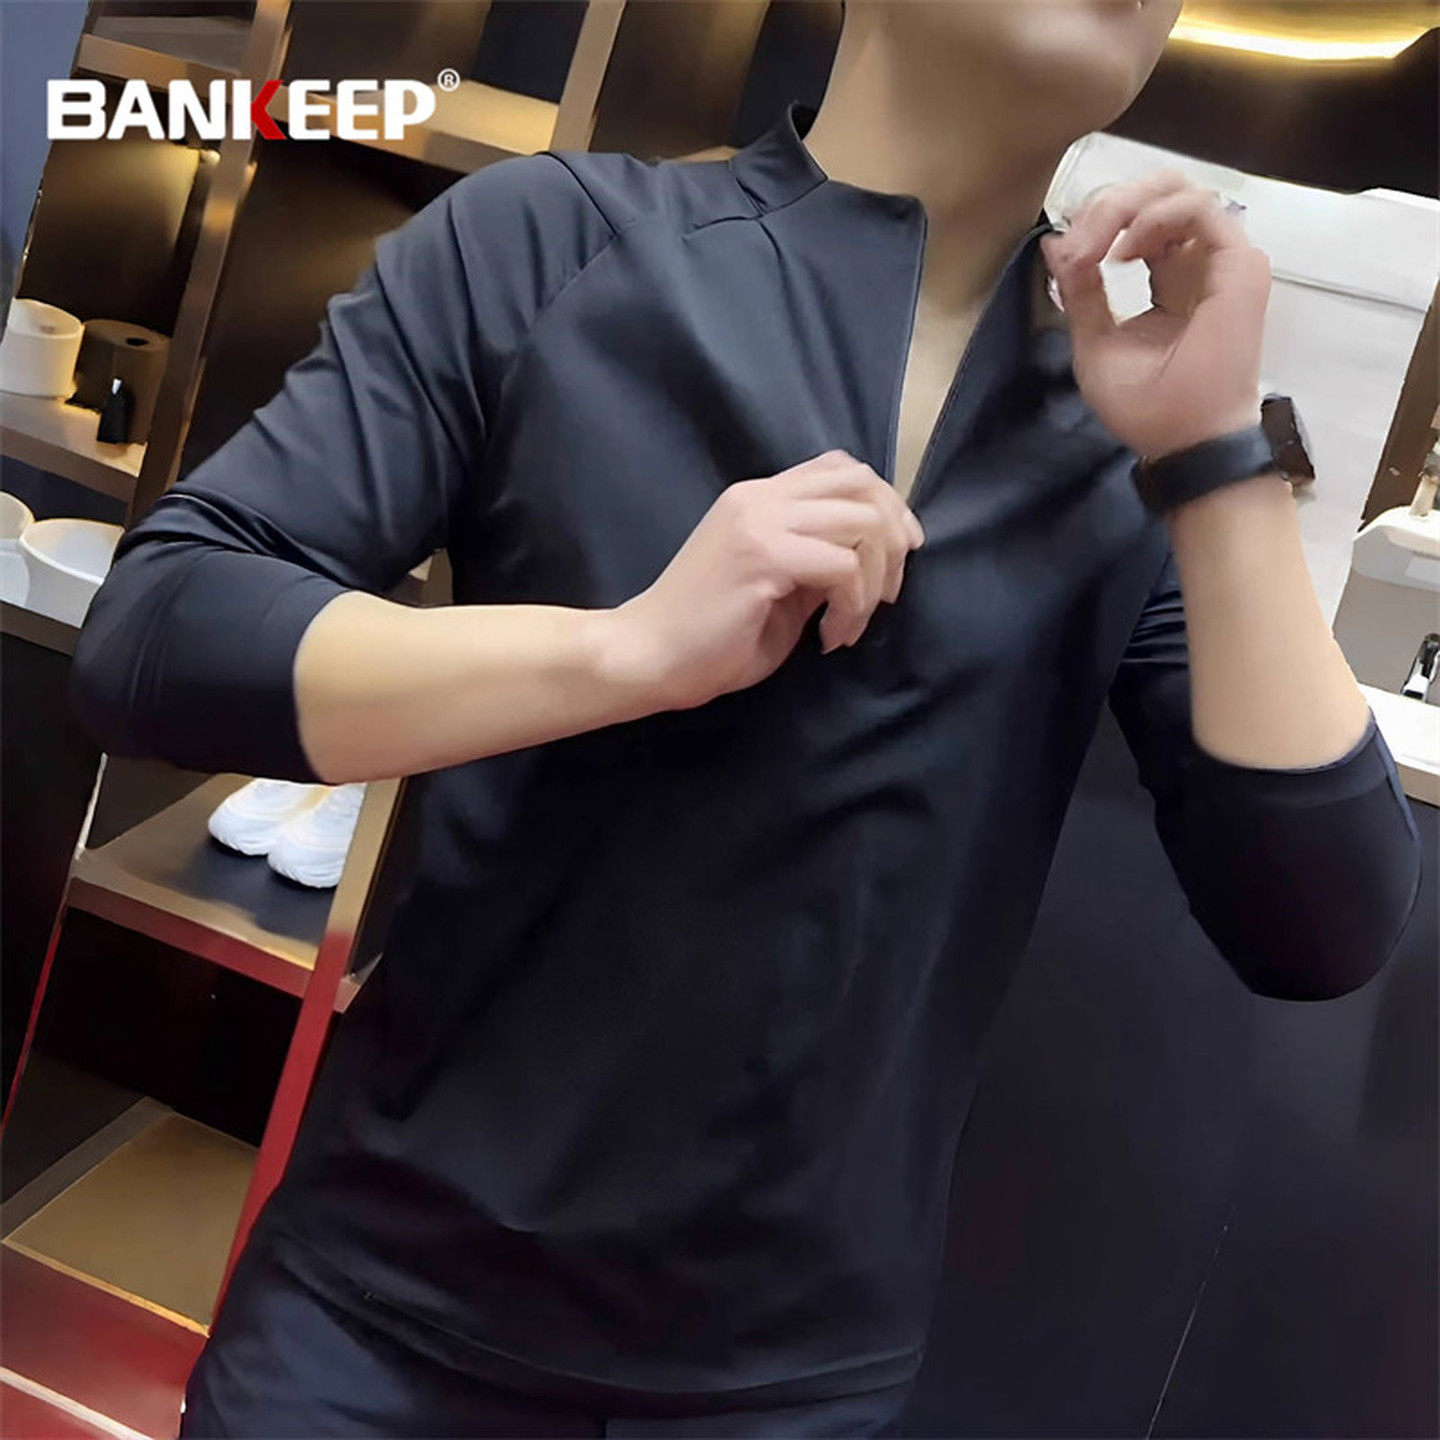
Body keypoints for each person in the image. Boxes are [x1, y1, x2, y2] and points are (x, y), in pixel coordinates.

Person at [68, 1, 1422, 1435]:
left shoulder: (1120, 432)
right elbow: (159, 634)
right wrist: (626, 651)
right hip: (375, 1338)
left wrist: (1217, 453)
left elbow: (1322, 923)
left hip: (785, 1394)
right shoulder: (553, 244)